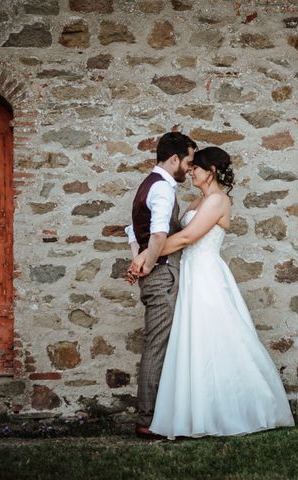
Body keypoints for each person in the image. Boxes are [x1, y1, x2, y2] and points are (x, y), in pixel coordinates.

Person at [129, 146, 295, 440]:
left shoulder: (219, 200)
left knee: (216, 339)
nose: (190, 171)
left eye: (196, 168)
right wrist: (145, 254)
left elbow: (188, 237)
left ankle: (233, 410)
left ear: (211, 172)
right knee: (191, 342)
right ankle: (195, 411)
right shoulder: (197, 200)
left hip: (206, 274)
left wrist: (145, 258)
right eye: (190, 167)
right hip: (189, 273)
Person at [124, 132, 197, 439]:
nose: (189, 169)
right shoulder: (164, 188)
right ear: (175, 159)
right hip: (163, 275)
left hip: (154, 273)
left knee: (158, 344)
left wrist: (138, 262)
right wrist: (149, 264)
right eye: (188, 162)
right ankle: (147, 419)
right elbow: (156, 236)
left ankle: (155, 414)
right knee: (156, 346)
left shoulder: (146, 185)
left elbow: (132, 231)